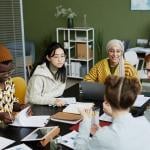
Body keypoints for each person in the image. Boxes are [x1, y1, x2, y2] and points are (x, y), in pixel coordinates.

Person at [75, 75, 150, 150]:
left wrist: (85, 122)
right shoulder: (145, 123)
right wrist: (101, 133)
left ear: (107, 101)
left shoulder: (104, 136)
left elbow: (80, 148)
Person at [25, 42, 67, 106]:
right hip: (33, 108)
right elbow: (33, 98)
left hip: (48, 103)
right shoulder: (38, 75)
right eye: (56, 57)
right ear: (48, 58)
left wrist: (44, 96)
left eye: (62, 56)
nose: (60, 60)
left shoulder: (62, 70)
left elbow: (60, 91)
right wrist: (52, 101)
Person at [0, 44, 28, 124]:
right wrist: (1, 116)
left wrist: (20, 107)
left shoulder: (9, 81)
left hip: (10, 124)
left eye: (9, 71)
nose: (7, 75)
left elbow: (12, 102)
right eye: (2, 72)